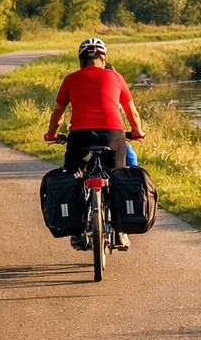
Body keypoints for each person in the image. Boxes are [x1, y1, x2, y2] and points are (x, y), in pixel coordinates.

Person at [46, 38, 145, 251]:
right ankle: (120, 233)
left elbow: (58, 114)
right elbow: (132, 112)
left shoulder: (70, 79)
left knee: (73, 175)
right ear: (103, 58)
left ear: (81, 59)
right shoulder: (116, 77)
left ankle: (76, 232)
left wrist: (51, 134)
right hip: (112, 135)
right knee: (117, 177)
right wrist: (137, 132)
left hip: (79, 137)